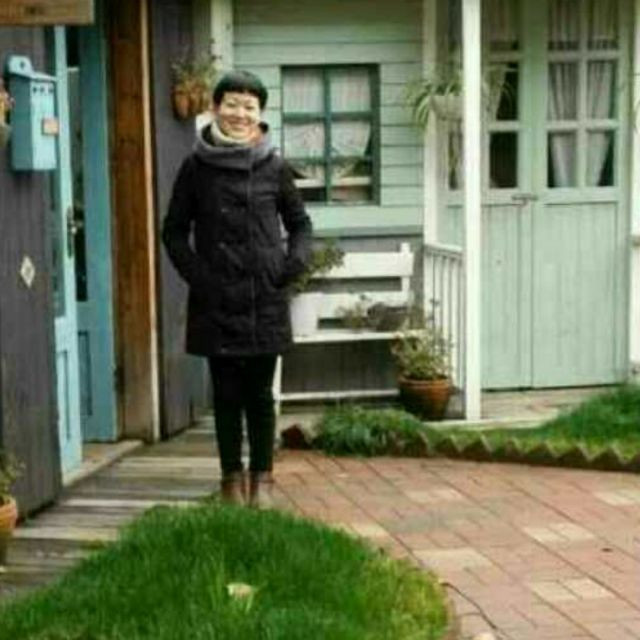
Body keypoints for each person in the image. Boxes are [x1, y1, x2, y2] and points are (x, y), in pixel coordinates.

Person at [162, 70, 312, 508]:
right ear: (215, 108)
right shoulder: (195, 167)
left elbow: (300, 224)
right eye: (232, 104)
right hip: (217, 298)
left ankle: (262, 481)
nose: (240, 113)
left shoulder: (274, 166)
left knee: (260, 396)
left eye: (249, 106)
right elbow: (174, 231)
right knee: (226, 396)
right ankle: (231, 481)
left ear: (260, 114)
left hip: (264, 295)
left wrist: (292, 264)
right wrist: (200, 276)